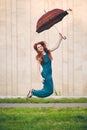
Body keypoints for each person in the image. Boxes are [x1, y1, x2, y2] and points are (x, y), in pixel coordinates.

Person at [26, 33, 65, 99]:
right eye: (38, 47)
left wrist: (60, 38)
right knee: (49, 91)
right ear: (37, 49)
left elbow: (56, 46)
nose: (40, 48)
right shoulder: (39, 57)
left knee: (47, 90)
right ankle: (33, 92)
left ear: (43, 46)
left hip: (49, 74)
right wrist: (40, 77)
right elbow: (38, 69)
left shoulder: (48, 52)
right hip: (45, 74)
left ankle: (32, 91)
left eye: (40, 46)